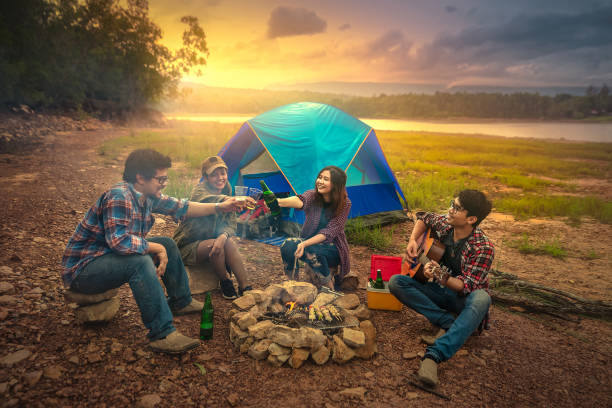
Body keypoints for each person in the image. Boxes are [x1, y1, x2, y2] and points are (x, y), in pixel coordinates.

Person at [61, 149, 253, 354]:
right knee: (141, 262)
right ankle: (162, 333)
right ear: (140, 177)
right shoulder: (119, 196)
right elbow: (120, 242)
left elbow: (183, 207)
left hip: (106, 258)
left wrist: (221, 206)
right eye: (160, 179)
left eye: (165, 179)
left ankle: (181, 301)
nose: (164, 183)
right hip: (84, 270)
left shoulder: (147, 195)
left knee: (167, 242)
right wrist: (156, 249)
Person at [389, 189, 494, 387]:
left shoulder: (483, 248)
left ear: (471, 219)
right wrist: (412, 241)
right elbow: (423, 217)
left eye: (456, 208)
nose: (450, 210)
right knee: (396, 282)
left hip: (462, 300)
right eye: (452, 204)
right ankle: (448, 322)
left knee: (482, 298)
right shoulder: (447, 224)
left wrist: (439, 274)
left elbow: (465, 286)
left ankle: (435, 355)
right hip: (439, 292)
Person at [173, 155, 252, 300]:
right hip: (187, 245)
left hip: (211, 239)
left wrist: (223, 235)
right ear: (206, 177)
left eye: (223, 173)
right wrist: (229, 200)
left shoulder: (227, 188)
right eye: (214, 175)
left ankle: (245, 287)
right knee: (215, 245)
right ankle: (225, 281)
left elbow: (230, 223)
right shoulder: (199, 192)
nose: (220, 177)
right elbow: (211, 201)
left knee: (227, 242)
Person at [277, 166, 351, 290]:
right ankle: (292, 284)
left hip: (333, 249)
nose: (320, 181)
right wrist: (278, 201)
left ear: (336, 184)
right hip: (311, 245)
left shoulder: (345, 203)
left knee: (312, 250)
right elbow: (301, 201)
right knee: (287, 245)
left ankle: (329, 288)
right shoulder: (313, 195)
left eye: (326, 179)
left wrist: (304, 244)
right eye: (320, 177)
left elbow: (328, 233)